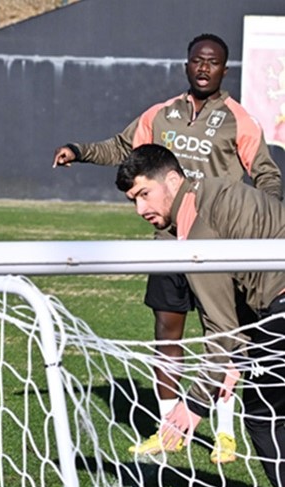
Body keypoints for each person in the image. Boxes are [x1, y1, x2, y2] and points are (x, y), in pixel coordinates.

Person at [53, 33, 282, 463]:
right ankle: (168, 426)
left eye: (212, 63)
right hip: (168, 246)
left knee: (228, 332)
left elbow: (267, 174)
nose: (203, 68)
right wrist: (80, 151)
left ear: (223, 70)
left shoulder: (239, 120)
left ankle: (225, 433)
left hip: (221, 244)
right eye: (196, 60)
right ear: (186, 65)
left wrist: (260, 229)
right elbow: (124, 148)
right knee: (167, 334)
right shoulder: (162, 114)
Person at [115, 143, 285, 487]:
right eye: (132, 201)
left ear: (172, 180)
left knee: (265, 419)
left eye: (143, 195)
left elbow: (220, 327)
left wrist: (193, 405)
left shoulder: (196, 227)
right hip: (274, 307)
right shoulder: (212, 192)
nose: (140, 210)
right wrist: (236, 360)